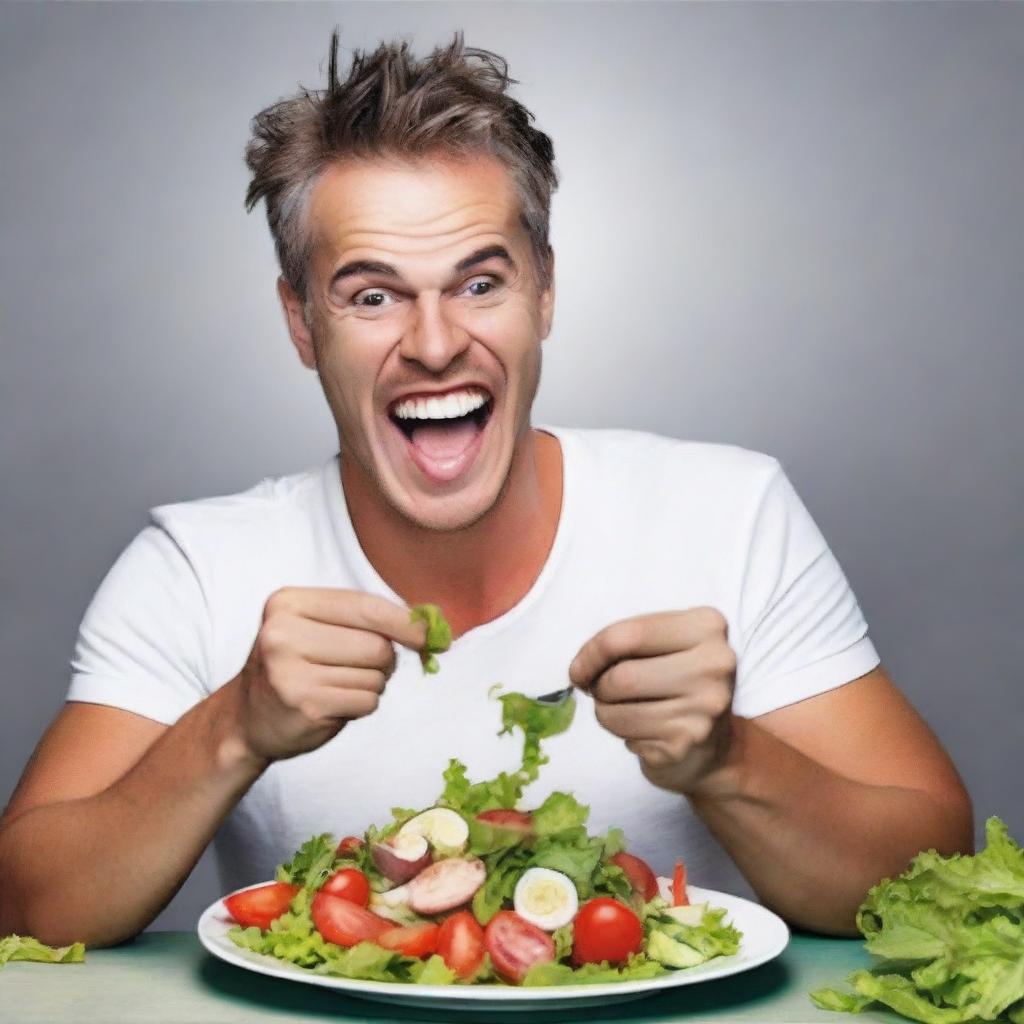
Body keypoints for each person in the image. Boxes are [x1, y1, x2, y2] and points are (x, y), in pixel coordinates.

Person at [0, 31, 972, 948]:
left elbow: (930, 873)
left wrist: (729, 759)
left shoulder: (728, 514)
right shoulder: (198, 569)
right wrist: (231, 727)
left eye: (478, 283)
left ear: (543, 291)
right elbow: (26, 904)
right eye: (371, 294)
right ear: (301, 323)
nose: (431, 343)